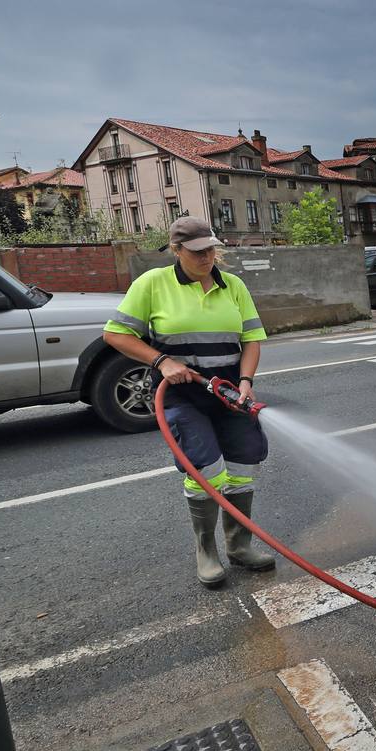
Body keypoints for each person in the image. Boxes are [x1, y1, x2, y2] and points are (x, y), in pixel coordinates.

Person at [102, 217, 275, 588]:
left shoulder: (234, 286)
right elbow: (115, 334)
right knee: (205, 471)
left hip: (229, 392)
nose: (207, 257)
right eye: (197, 251)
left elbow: (251, 339)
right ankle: (206, 550)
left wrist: (245, 382)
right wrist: (162, 361)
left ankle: (239, 545)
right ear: (176, 250)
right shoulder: (153, 284)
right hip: (183, 395)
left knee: (244, 465)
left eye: (211, 249)